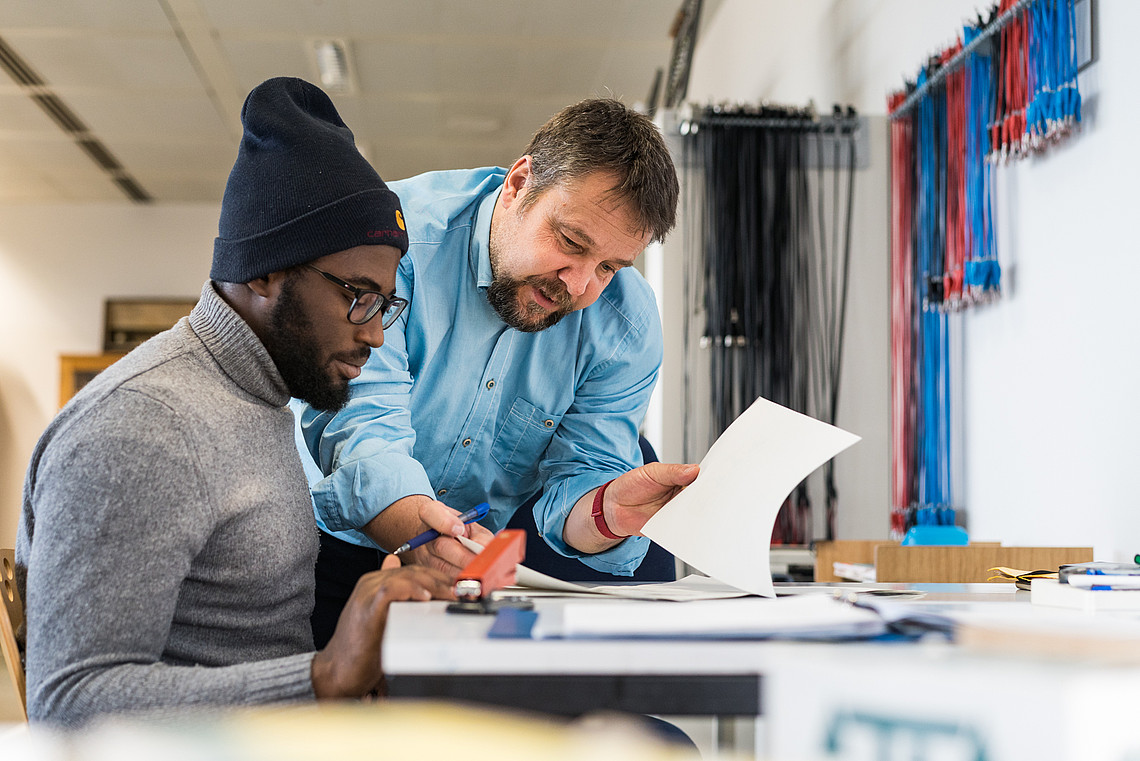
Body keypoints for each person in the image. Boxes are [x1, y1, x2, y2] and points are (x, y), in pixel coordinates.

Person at [15, 77, 471, 728]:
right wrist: (322, 674)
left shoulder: (254, 399)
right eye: (357, 294)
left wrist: (358, 647)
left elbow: (245, 642)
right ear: (265, 269)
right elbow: (68, 707)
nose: (373, 332)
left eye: (386, 304)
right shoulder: (141, 428)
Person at [297, 98, 699, 647]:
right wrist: (419, 533)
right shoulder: (392, 242)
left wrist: (607, 511)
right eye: (571, 243)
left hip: (464, 558)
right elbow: (364, 428)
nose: (578, 286)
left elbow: (581, 479)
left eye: (608, 266)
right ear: (517, 183)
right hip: (319, 545)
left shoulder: (623, 325)